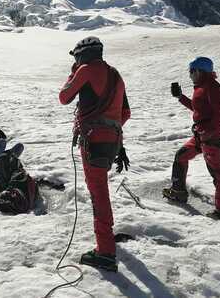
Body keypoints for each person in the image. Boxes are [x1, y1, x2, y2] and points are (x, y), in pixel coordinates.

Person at [59, 36, 131, 272]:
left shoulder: (86, 69)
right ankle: (106, 241)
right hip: (112, 141)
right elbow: (126, 112)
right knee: (101, 190)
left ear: (81, 55)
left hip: (93, 141)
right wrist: (110, 128)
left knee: (98, 192)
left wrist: (74, 72)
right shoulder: (115, 74)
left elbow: (64, 97)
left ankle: (105, 251)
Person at [163, 57, 220, 221]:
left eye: (191, 71)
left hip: (210, 138)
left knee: (217, 173)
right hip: (201, 135)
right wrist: (180, 97)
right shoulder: (201, 87)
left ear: (199, 71)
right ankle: (178, 192)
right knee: (181, 156)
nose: (189, 75)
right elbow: (199, 109)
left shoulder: (212, 87)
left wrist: (209, 131)